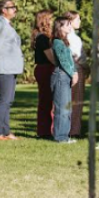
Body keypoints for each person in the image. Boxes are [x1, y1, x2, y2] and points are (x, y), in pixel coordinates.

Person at [0, 0, 23, 141]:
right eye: (12, 7)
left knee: (8, 100)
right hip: (4, 68)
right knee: (4, 100)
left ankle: (6, 131)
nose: (15, 9)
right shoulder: (0, 25)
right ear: (4, 10)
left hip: (11, 67)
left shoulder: (7, 25)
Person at [50, 15, 78, 144]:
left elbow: (71, 60)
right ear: (59, 27)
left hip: (67, 75)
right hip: (61, 75)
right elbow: (64, 61)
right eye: (67, 24)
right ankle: (60, 136)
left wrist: (75, 72)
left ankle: (65, 136)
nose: (70, 27)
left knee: (67, 108)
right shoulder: (57, 42)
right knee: (62, 108)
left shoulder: (64, 41)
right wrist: (73, 74)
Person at [31, 10, 55, 139]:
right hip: (45, 69)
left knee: (47, 101)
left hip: (45, 69)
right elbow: (50, 57)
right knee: (46, 101)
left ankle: (46, 129)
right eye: (51, 19)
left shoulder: (43, 37)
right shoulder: (42, 38)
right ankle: (44, 130)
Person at [65, 11, 87, 138]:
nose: (79, 21)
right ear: (70, 21)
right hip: (76, 69)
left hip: (72, 68)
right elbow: (78, 56)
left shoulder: (66, 36)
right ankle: (74, 129)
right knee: (76, 100)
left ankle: (70, 127)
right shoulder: (73, 38)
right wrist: (86, 66)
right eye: (77, 19)